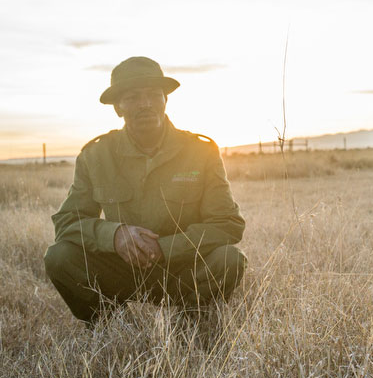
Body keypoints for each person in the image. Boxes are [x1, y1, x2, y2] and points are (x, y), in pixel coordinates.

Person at [44, 56, 246, 324]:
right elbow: (67, 223)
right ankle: (109, 325)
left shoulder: (201, 151)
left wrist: (165, 248)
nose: (145, 104)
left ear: (165, 100)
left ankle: (191, 319)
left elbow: (228, 224)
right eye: (133, 96)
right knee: (59, 257)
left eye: (153, 94)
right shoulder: (96, 155)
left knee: (229, 259)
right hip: (120, 270)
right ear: (118, 107)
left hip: (183, 269)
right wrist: (114, 235)